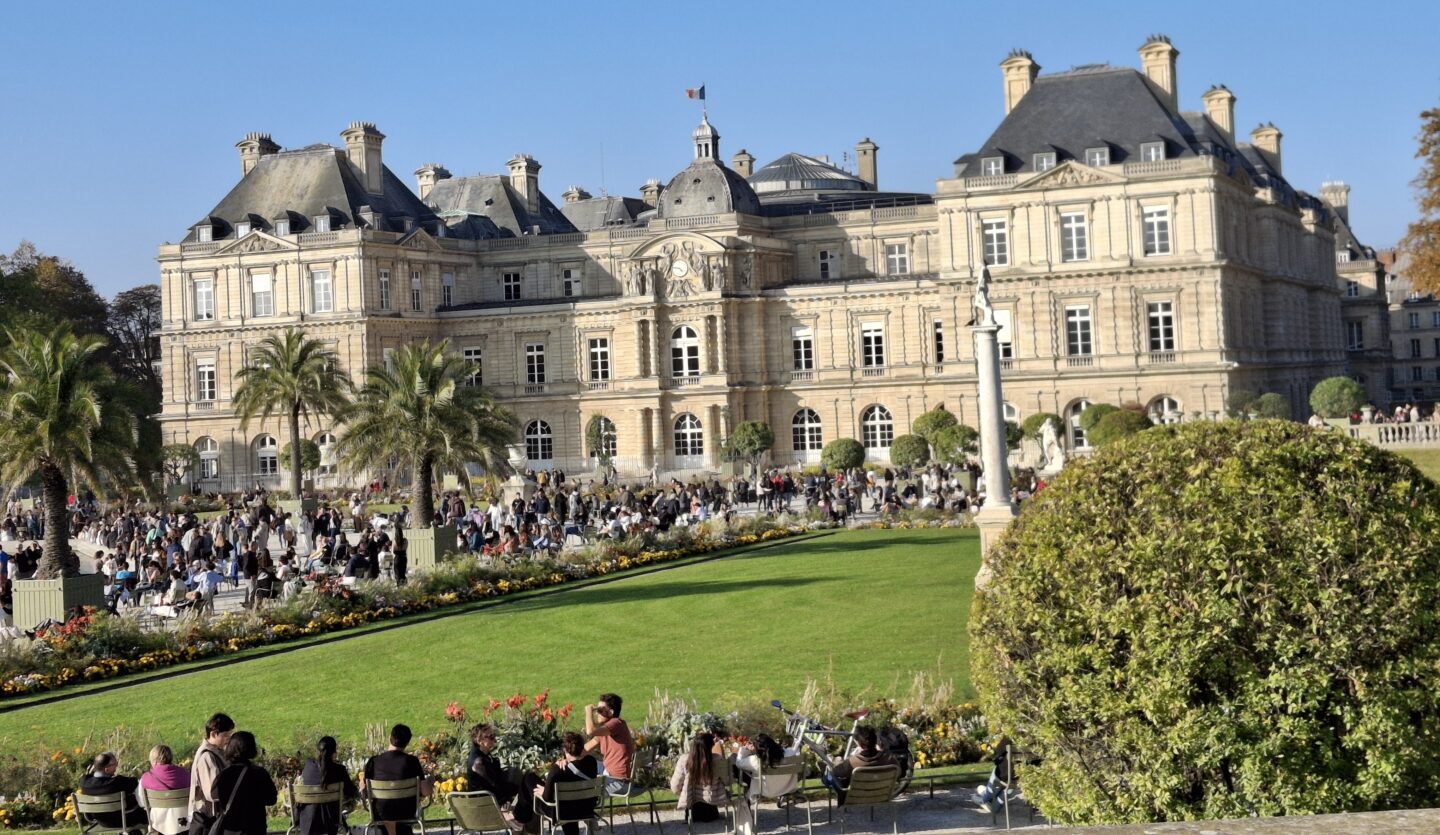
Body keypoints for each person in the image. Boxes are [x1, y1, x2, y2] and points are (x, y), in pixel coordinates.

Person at [361, 724, 432, 835]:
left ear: (390, 738)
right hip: (406, 812)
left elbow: (364, 791)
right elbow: (426, 791)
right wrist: (430, 782)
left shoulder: (374, 762)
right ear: (407, 743)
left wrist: (361, 783)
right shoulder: (412, 762)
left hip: (380, 813)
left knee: (386, 809)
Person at [467, 724, 535, 833]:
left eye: (493, 735)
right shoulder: (478, 762)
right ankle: (522, 823)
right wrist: (517, 788)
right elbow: (495, 785)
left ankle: (521, 822)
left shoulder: (483, 756)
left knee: (529, 792)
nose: (494, 739)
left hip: (490, 802)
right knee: (530, 795)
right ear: (479, 740)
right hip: (487, 808)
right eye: (490, 737)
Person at [210, 732, 277, 835]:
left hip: (231, 829)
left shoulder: (224, 775)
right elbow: (271, 799)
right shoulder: (259, 773)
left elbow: (215, 796)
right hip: (254, 827)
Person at [534, 732, 599, 835]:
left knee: (529, 780)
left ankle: (522, 823)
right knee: (567, 801)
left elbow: (547, 798)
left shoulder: (557, 770)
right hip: (586, 808)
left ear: (564, 750)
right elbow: (578, 765)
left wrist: (543, 791)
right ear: (582, 748)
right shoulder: (591, 762)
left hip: (562, 813)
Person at [732, 734, 796, 835]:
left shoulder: (755, 760)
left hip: (765, 791)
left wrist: (744, 749)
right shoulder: (790, 753)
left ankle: (747, 827)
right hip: (787, 789)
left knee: (746, 796)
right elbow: (791, 751)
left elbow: (739, 763)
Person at [297, 736, 358, 835]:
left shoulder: (308, 765)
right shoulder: (339, 770)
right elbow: (350, 792)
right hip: (331, 820)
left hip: (308, 820)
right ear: (334, 752)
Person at [668, 732, 727, 823]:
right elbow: (726, 781)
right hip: (711, 806)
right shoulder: (717, 760)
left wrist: (684, 792)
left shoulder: (684, 760)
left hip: (691, 807)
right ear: (711, 746)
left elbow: (675, 786)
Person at [827, 726, 896, 803]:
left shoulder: (852, 762)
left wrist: (838, 763)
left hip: (855, 798)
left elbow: (834, 772)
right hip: (881, 796)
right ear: (876, 741)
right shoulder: (889, 758)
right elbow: (899, 772)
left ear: (860, 744)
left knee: (829, 777)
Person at [79, 752, 145, 832]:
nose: (117, 766)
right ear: (106, 769)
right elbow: (135, 782)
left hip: (100, 821)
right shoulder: (117, 782)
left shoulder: (84, 783)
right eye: (115, 764)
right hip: (124, 818)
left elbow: (90, 776)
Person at [583, 693, 635, 795]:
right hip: (610, 773)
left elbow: (590, 731)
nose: (597, 713)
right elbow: (585, 749)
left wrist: (588, 712)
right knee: (582, 763)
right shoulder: (605, 729)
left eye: (600, 710)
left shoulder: (616, 724)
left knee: (582, 788)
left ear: (611, 712)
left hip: (619, 782)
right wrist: (566, 759)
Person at [190, 712, 235, 822]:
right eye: (225, 735)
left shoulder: (215, 751)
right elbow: (213, 791)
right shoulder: (207, 756)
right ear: (214, 734)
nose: (228, 739)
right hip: (209, 817)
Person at [139, 745, 192, 835]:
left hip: (159, 824)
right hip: (184, 823)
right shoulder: (185, 774)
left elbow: (142, 803)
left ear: (154, 761)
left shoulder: (146, 778)